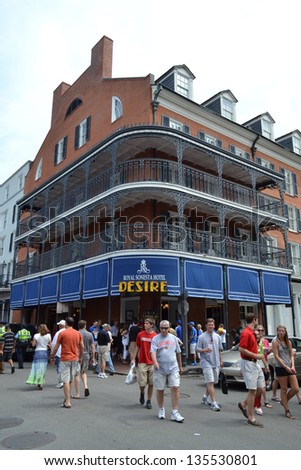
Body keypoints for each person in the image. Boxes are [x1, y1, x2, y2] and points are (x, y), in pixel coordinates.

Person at [150, 319, 184, 423]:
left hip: (173, 367)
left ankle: (175, 412)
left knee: (175, 388)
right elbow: (153, 352)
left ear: (169, 328)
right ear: (159, 328)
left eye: (166, 328)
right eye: (162, 328)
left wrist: (180, 366)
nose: (164, 330)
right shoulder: (155, 339)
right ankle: (161, 409)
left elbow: (178, 352)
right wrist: (155, 362)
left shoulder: (174, 338)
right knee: (160, 389)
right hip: (160, 368)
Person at [237, 312, 265, 427]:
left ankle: (244, 404)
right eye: (257, 320)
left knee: (261, 388)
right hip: (249, 363)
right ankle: (251, 417)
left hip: (254, 363)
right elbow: (241, 349)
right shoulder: (246, 333)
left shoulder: (252, 333)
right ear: (254, 320)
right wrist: (256, 355)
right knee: (252, 391)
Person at [50, 316, 84, 409]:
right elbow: (82, 347)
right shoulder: (78, 333)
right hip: (74, 358)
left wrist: (52, 355)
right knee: (70, 379)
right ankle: (67, 398)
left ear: (66, 324)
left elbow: (56, 347)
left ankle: (68, 401)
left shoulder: (62, 333)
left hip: (65, 358)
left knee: (65, 380)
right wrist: (80, 357)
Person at [271, 325, 299, 419]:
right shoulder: (275, 342)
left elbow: (291, 354)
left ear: (285, 332)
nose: (281, 332)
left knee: (295, 388)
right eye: (280, 331)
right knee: (284, 389)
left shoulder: (288, 342)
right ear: (277, 332)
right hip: (281, 367)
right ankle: (287, 411)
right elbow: (276, 356)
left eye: (283, 331)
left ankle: (284, 401)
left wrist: (292, 365)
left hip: (290, 367)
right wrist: (285, 366)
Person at [196, 318, 223, 411]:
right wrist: (205, 350)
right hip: (206, 361)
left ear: (214, 326)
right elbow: (197, 349)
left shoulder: (218, 337)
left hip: (215, 362)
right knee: (210, 381)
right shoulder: (202, 337)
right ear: (206, 326)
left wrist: (220, 361)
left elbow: (219, 350)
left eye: (212, 324)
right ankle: (213, 402)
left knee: (212, 382)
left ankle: (205, 397)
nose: (211, 326)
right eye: (209, 325)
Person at [131, 317, 157, 409]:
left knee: (151, 383)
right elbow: (137, 347)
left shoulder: (155, 336)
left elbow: (157, 350)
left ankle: (149, 400)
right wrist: (133, 358)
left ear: (151, 325)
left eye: (147, 323)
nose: (145, 325)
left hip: (152, 362)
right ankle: (142, 393)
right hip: (142, 361)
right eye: (145, 323)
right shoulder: (140, 334)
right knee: (142, 383)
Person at [72, 320, 95, 398]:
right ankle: (85, 386)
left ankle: (77, 393)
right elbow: (92, 346)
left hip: (77, 355)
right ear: (85, 325)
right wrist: (93, 357)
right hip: (86, 355)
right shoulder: (90, 334)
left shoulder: (76, 333)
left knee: (77, 374)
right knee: (84, 372)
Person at [26, 324, 51, 389]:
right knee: (43, 368)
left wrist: (33, 341)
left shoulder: (36, 335)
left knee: (37, 368)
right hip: (45, 352)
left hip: (38, 352)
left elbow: (33, 345)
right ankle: (41, 382)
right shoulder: (48, 335)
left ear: (39, 329)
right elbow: (50, 345)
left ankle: (37, 381)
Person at [254, 325, 272, 415]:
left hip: (261, 364)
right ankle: (251, 403)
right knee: (254, 388)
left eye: (262, 330)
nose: (260, 332)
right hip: (252, 365)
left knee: (261, 386)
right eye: (258, 330)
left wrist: (266, 366)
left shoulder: (264, 342)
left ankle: (259, 404)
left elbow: (263, 355)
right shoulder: (253, 341)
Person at [51, 319, 66, 388]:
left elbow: (54, 344)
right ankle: (66, 381)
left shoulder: (58, 333)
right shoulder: (69, 332)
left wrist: (52, 353)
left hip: (59, 352)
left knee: (59, 367)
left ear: (60, 326)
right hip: (68, 353)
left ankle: (61, 382)